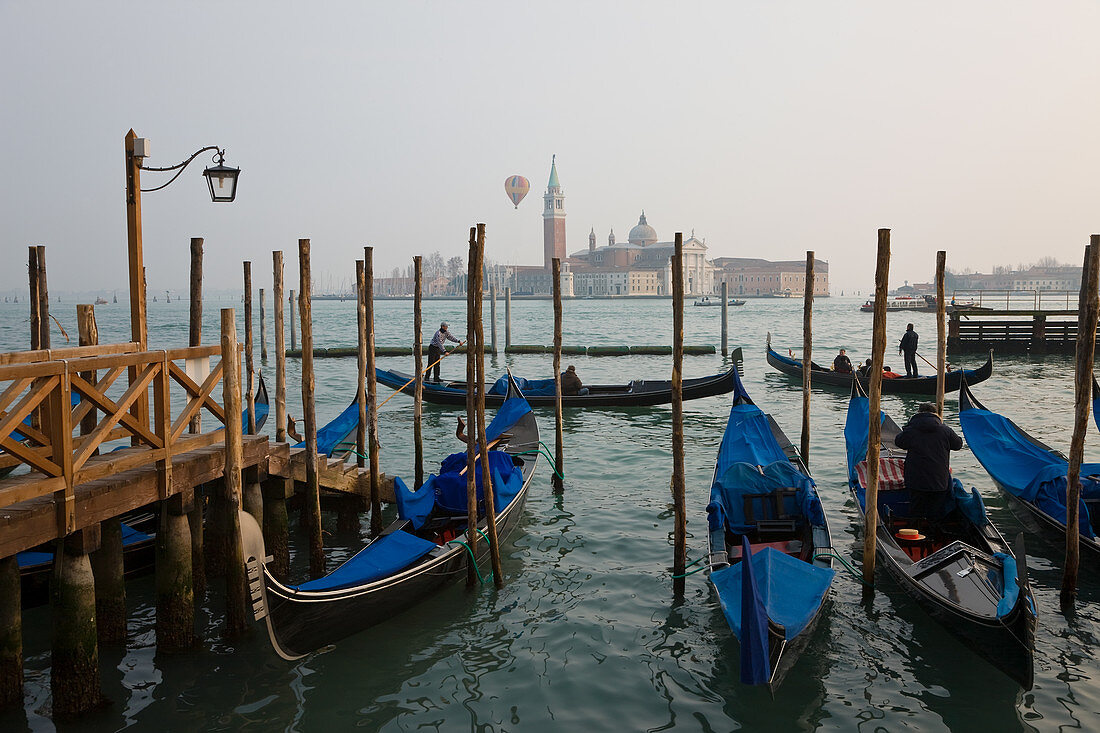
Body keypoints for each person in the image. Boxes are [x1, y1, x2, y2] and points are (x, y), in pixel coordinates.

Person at [894, 402, 963, 523]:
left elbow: (899, 442)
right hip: (939, 480)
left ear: (919, 413)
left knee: (916, 511)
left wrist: (908, 427)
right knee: (936, 513)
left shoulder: (911, 430)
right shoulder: (946, 430)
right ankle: (934, 536)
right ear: (935, 414)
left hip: (916, 479)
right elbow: (958, 445)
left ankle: (917, 534)